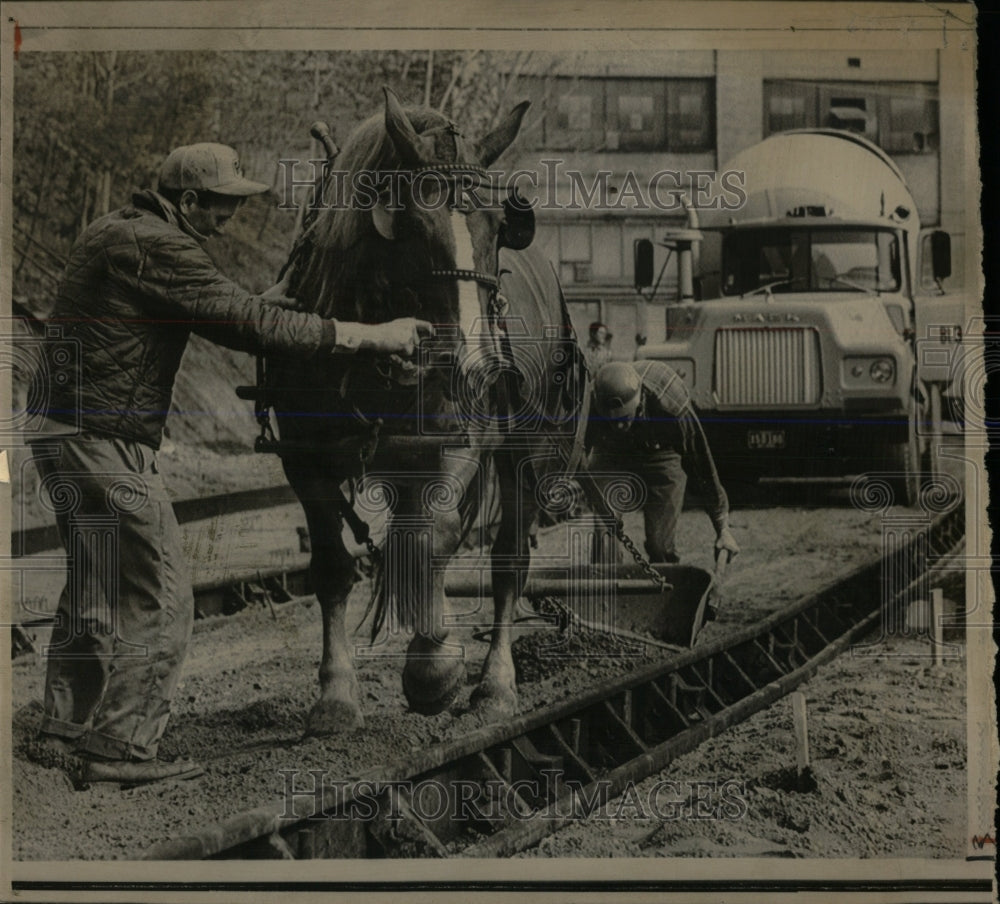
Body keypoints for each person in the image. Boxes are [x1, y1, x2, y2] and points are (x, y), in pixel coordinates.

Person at [27, 143, 432, 786]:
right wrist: (370, 334)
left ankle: (64, 726)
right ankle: (120, 748)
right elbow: (242, 325)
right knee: (160, 594)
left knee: (95, 582)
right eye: (222, 208)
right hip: (106, 438)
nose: (229, 222)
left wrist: (261, 302)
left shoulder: (112, 230)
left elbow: (189, 306)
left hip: (57, 429)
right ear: (187, 202)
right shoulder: (165, 246)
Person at [585, 360, 740, 565]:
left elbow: (702, 466)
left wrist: (723, 528)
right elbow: (573, 453)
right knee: (604, 532)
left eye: (624, 418)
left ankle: (664, 587)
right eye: (612, 420)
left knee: (660, 545)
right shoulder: (589, 403)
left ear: (638, 403)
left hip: (661, 452)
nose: (619, 425)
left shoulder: (671, 405)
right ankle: (606, 588)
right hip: (612, 453)